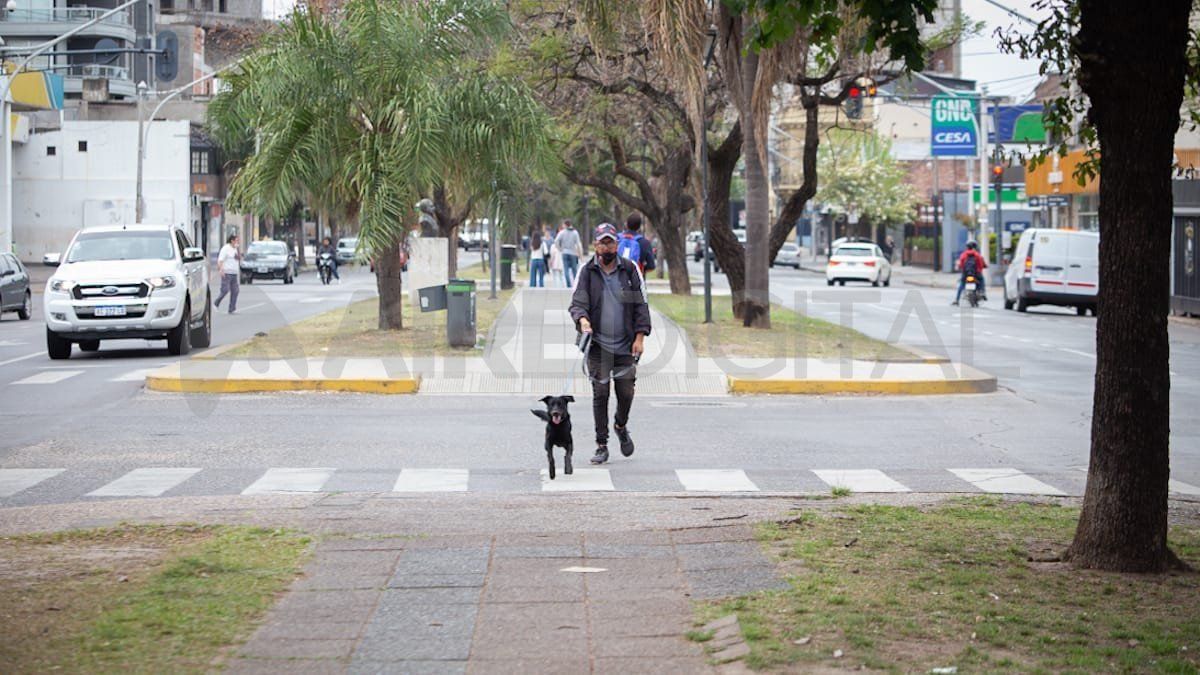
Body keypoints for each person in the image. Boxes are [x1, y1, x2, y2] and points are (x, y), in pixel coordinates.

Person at [570, 223, 652, 465]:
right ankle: (601, 444)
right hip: (598, 345)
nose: (607, 247)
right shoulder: (587, 272)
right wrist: (583, 320)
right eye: (602, 242)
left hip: (626, 344)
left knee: (626, 393)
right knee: (601, 393)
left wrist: (640, 337)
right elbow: (578, 302)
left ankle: (620, 425)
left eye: (610, 242)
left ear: (617, 244)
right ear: (596, 245)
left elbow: (641, 306)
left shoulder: (629, 270)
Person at [953, 240, 988, 305]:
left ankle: (957, 300)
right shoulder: (977, 255)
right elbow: (981, 264)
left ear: (967, 247)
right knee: (981, 280)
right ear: (975, 247)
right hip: (976, 274)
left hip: (966, 274)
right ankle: (982, 292)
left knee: (961, 285)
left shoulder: (963, 254)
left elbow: (961, 265)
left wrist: (962, 269)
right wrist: (982, 268)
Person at [214, 233, 241, 314]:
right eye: (236, 240)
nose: (237, 242)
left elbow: (238, 258)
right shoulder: (226, 248)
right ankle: (216, 303)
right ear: (232, 241)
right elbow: (220, 260)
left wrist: (238, 251)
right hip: (227, 272)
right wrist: (221, 269)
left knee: (235, 291)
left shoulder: (236, 249)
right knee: (225, 290)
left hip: (234, 273)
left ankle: (232, 308)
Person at [555, 219, 582, 287]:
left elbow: (556, 241)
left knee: (566, 269)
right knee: (574, 270)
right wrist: (580, 254)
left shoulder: (562, 232)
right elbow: (578, 244)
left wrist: (560, 249)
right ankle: (575, 284)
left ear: (565, 225)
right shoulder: (575, 232)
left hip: (564, 252)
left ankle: (568, 285)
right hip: (573, 253)